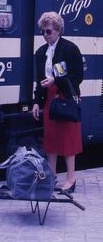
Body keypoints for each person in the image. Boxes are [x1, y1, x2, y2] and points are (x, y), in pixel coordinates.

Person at [32, 11, 83, 193]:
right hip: (49, 99)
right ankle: (51, 177)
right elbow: (39, 80)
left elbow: (78, 77)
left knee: (68, 139)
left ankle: (71, 179)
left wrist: (56, 80)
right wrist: (37, 102)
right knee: (51, 139)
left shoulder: (70, 48)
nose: (45, 36)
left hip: (66, 97)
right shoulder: (40, 52)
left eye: (48, 32)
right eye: (43, 32)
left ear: (58, 30)